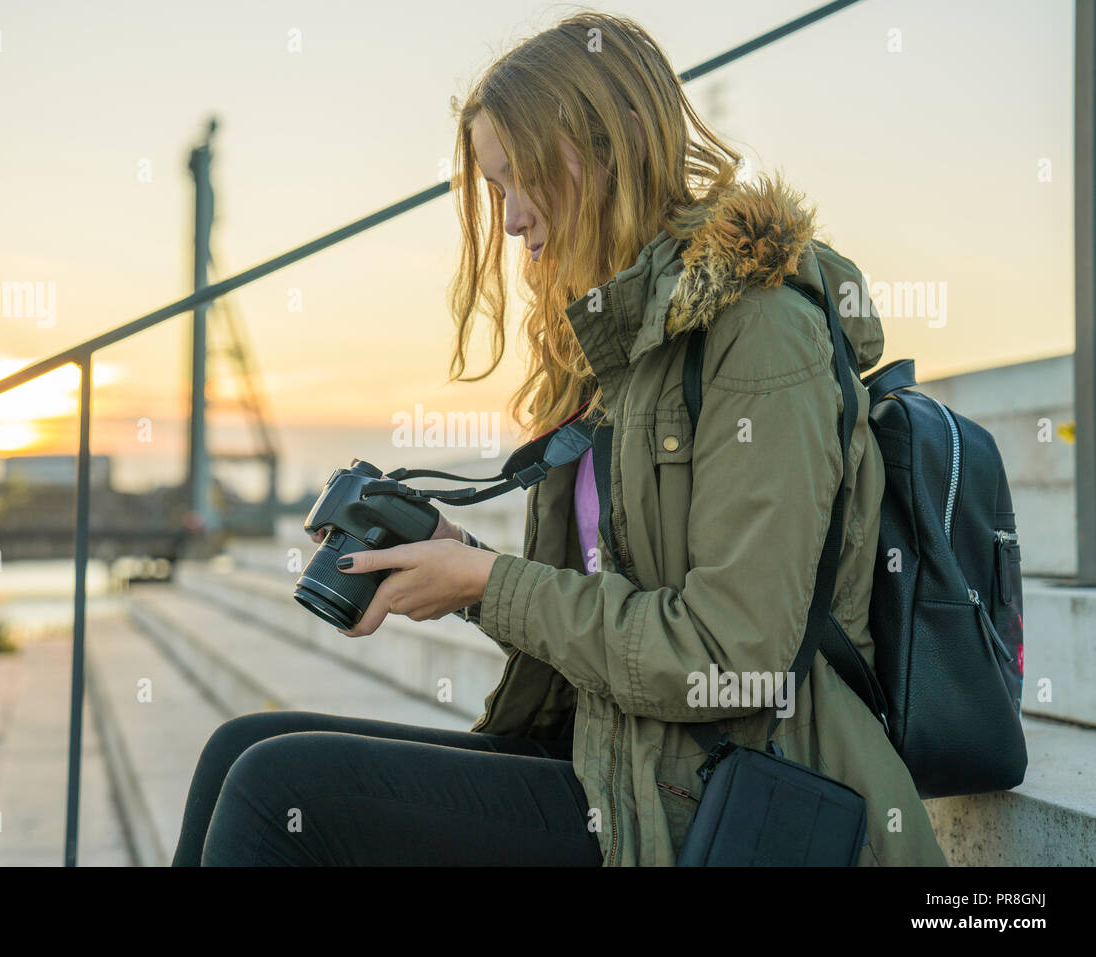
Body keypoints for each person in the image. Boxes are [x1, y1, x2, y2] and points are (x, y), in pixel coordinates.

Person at [172, 9, 947, 866]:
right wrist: (454, 563)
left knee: (281, 788)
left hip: (728, 797)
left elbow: (734, 653)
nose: (506, 222)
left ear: (602, 147)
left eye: (517, 180)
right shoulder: (613, 350)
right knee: (235, 750)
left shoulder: (761, 331)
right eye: (495, 189)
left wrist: (491, 583)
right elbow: (600, 612)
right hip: (614, 762)